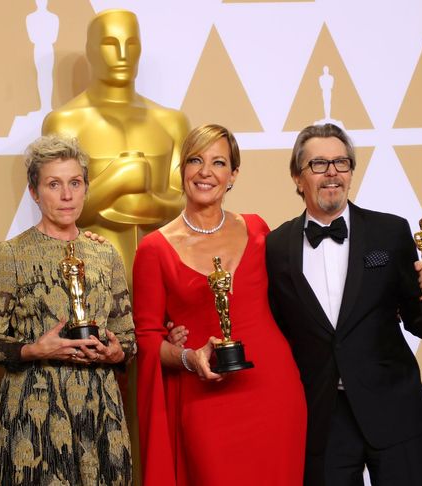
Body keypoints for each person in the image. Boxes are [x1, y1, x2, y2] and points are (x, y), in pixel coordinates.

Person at [265, 123, 422, 485]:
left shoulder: (391, 232)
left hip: (394, 409)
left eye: (342, 162)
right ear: (297, 176)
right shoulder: (275, 248)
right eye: (318, 164)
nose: (332, 172)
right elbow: (275, 331)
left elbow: (418, 322)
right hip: (323, 418)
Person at [133, 124, 307, 485]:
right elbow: (146, 338)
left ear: (233, 175)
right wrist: (186, 356)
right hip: (204, 396)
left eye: (219, 162)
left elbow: (299, 298)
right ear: (182, 171)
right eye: (196, 160)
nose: (206, 172)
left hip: (273, 391)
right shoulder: (154, 248)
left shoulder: (259, 229)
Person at [0, 134, 136, 485]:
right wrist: (34, 349)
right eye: (54, 184)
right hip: (33, 412)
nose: (66, 195)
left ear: (85, 188)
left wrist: (113, 352)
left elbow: (128, 341)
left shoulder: (105, 254)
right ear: (34, 192)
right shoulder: (10, 254)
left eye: (75, 183)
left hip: (99, 412)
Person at [42, 8, 189, 277]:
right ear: (90, 50)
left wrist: (151, 205)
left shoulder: (172, 122)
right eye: (111, 43)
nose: (123, 55)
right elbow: (56, 208)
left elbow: (187, 202)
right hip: (90, 275)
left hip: (166, 273)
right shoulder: (65, 123)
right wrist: (117, 180)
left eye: (131, 44)